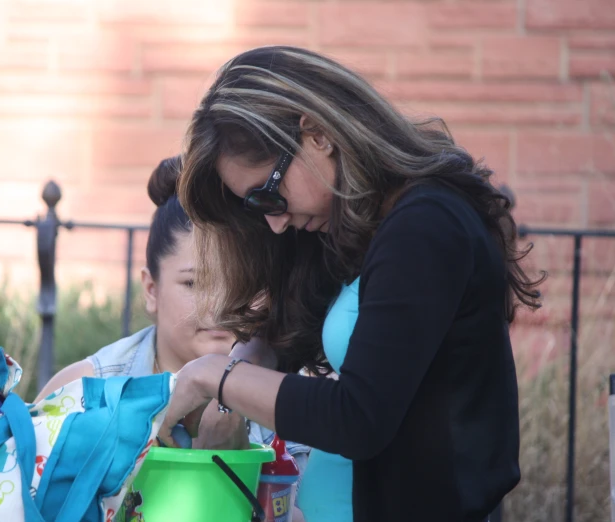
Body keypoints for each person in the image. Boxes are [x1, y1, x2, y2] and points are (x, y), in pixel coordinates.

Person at [157, 46, 544, 522]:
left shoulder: (425, 227)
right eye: (257, 208)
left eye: (268, 195)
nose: (275, 224)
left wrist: (215, 375)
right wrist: (249, 357)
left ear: (317, 134)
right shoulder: (369, 225)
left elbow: (358, 419)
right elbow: (300, 324)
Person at [35, 155, 310, 469]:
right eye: (194, 283)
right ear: (152, 290)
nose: (220, 305)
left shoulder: (295, 395)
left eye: (242, 283)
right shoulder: (84, 391)